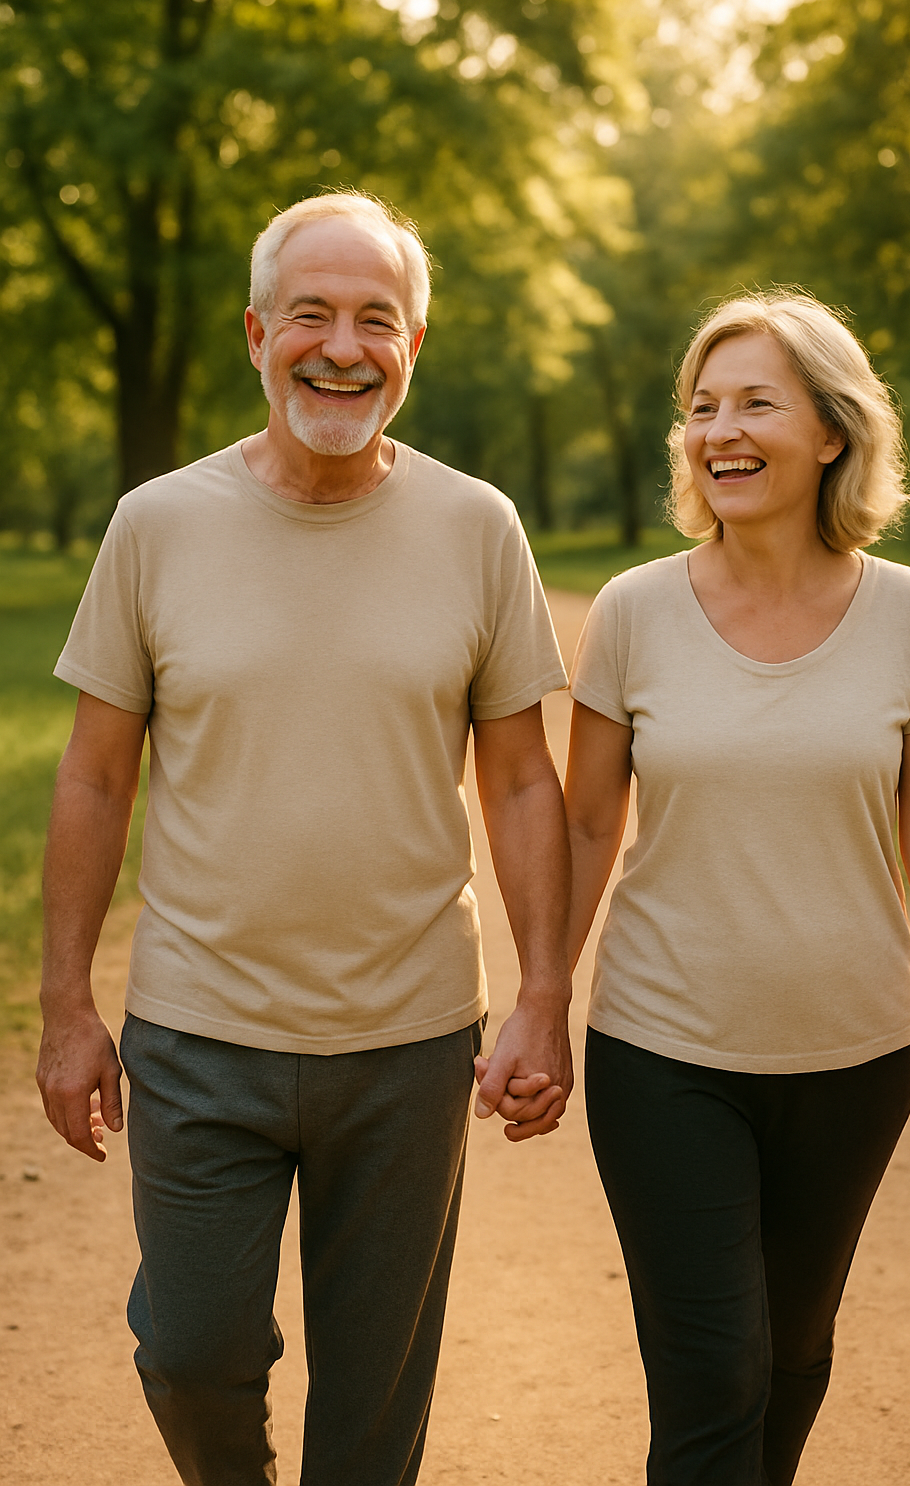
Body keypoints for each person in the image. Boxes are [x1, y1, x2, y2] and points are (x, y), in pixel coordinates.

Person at [35, 189, 573, 1486]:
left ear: (414, 347)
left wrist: (547, 996)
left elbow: (518, 781)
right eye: (312, 315)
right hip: (198, 1027)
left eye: (376, 319)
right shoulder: (156, 524)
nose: (343, 347)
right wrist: (63, 1006)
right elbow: (99, 777)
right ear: (255, 331)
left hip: (408, 1036)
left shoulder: (478, 527)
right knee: (188, 1351)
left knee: (373, 1413)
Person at [564, 291, 910, 1486]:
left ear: (831, 431)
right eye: (700, 409)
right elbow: (587, 820)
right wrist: (539, 999)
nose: (719, 431)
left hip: (855, 1057)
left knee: (791, 1358)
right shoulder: (634, 612)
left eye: (756, 401)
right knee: (713, 1370)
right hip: (663, 1053)